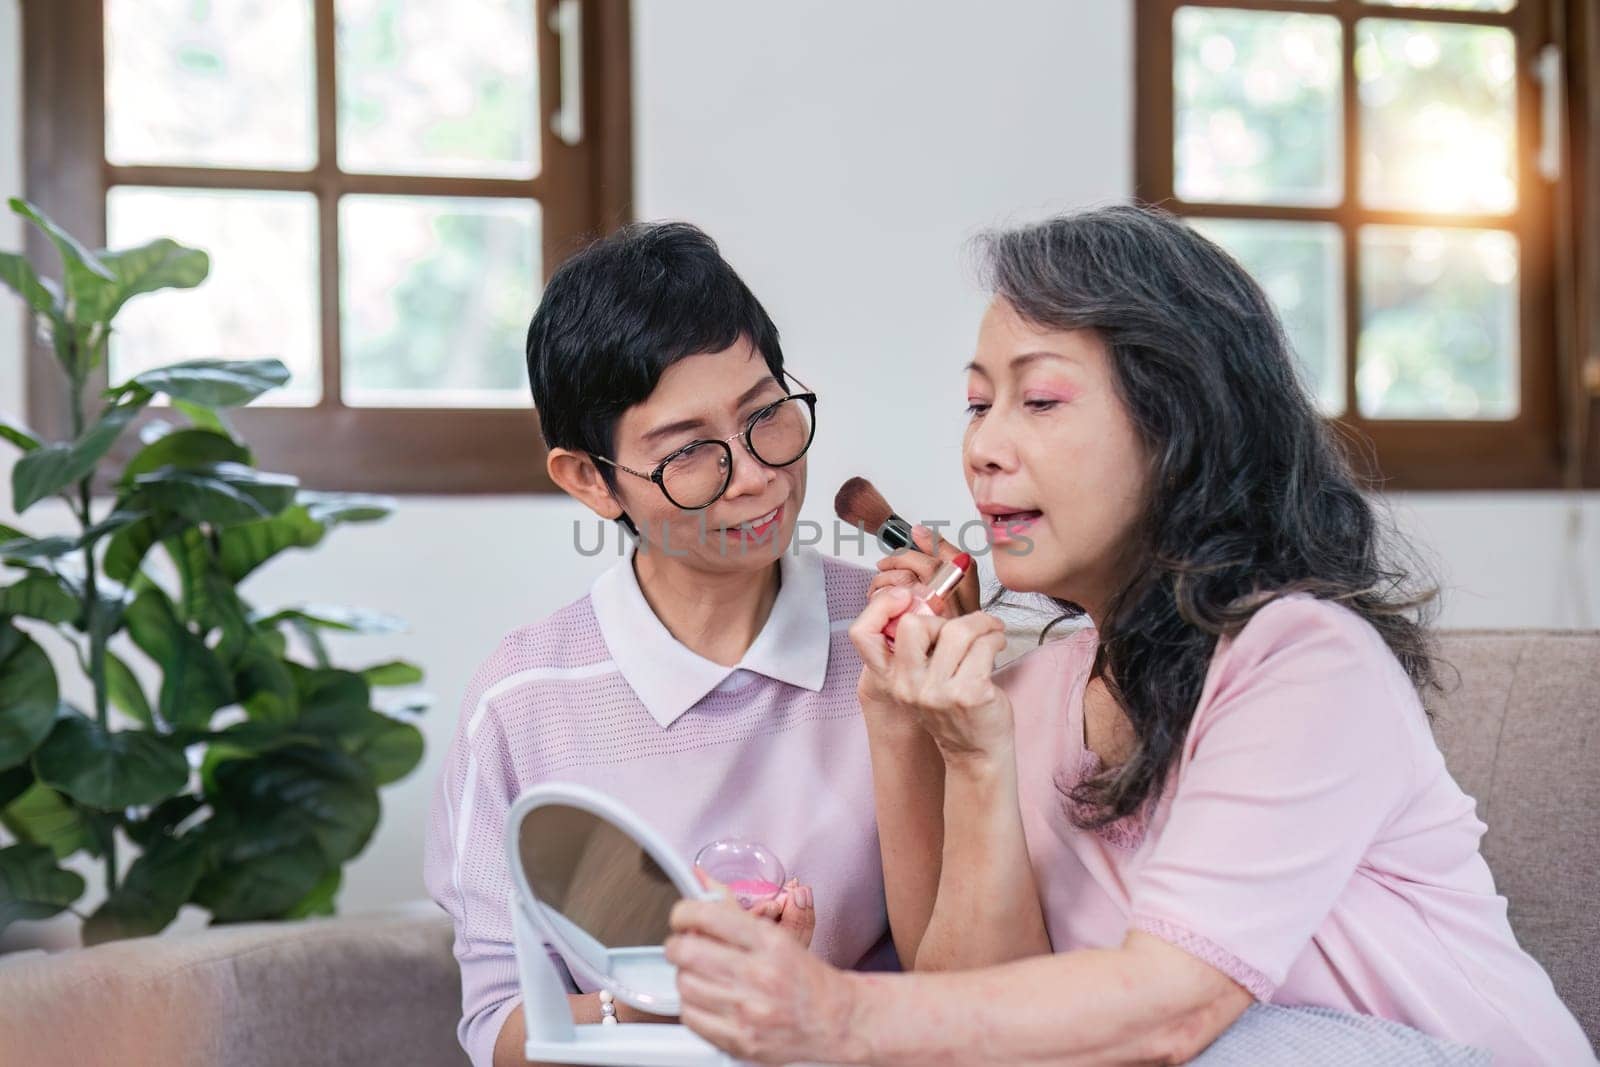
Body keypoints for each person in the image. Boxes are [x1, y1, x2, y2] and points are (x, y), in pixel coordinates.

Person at [664, 206, 1596, 1065]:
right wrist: (929, 732)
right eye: (978, 403)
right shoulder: (1032, 693)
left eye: (1040, 401)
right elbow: (974, 1013)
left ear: (1177, 428)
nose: (984, 446)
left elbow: (1174, 1007)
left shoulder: (1304, 658)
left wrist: (835, 1013)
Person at [424, 222, 896, 1067]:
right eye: (688, 454)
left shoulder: (887, 639)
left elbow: (979, 976)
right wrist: (673, 996)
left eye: (767, 417)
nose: (754, 475)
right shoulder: (523, 703)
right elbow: (498, 1028)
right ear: (589, 480)